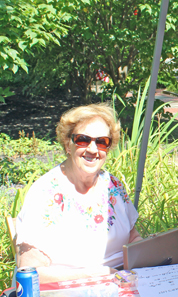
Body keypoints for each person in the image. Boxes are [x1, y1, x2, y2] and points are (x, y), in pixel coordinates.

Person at [15, 104, 142, 283]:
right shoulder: (45, 192)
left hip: (121, 286)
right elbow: (30, 271)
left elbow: (132, 237)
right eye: (83, 140)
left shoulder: (113, 186)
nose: (92, 149)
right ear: (68, 144)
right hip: (67, 295)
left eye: (101, 142)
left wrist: (148, 255)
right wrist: (95, 276)